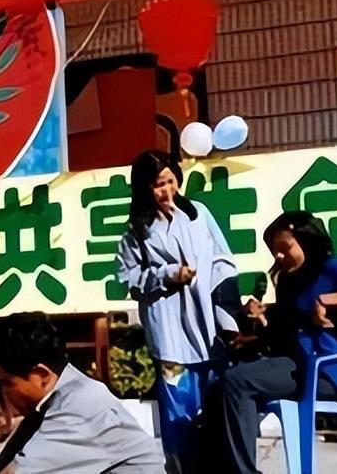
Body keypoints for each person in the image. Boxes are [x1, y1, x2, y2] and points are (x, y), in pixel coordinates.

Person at [220, 211, 337, 474]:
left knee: (238, 380)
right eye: (274, 251)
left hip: (325, 373)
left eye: (285, 248)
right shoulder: (287, 281)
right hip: (296, 365)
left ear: (306, 241)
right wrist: (255, 329)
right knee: (219, 385)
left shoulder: (333, 269)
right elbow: (286, 332)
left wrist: (327, 301)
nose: (279, 256)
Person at [116, 150, 240, 473]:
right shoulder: (137, 231)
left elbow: (223, 260)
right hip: (171, 335)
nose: (166, 190)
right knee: (178, 412)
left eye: (170, 181)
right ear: (144, 187)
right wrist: (167, 275)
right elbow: (128, 279)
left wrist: (227, 311)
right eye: (158, 184)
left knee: (216, 407)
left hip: (209, 329)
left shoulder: (198, 214)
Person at [0, 312, 165, 474]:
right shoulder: (51, 402)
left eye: (6, 384)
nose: (4, 394)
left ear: (42, 375)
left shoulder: (78, 410)